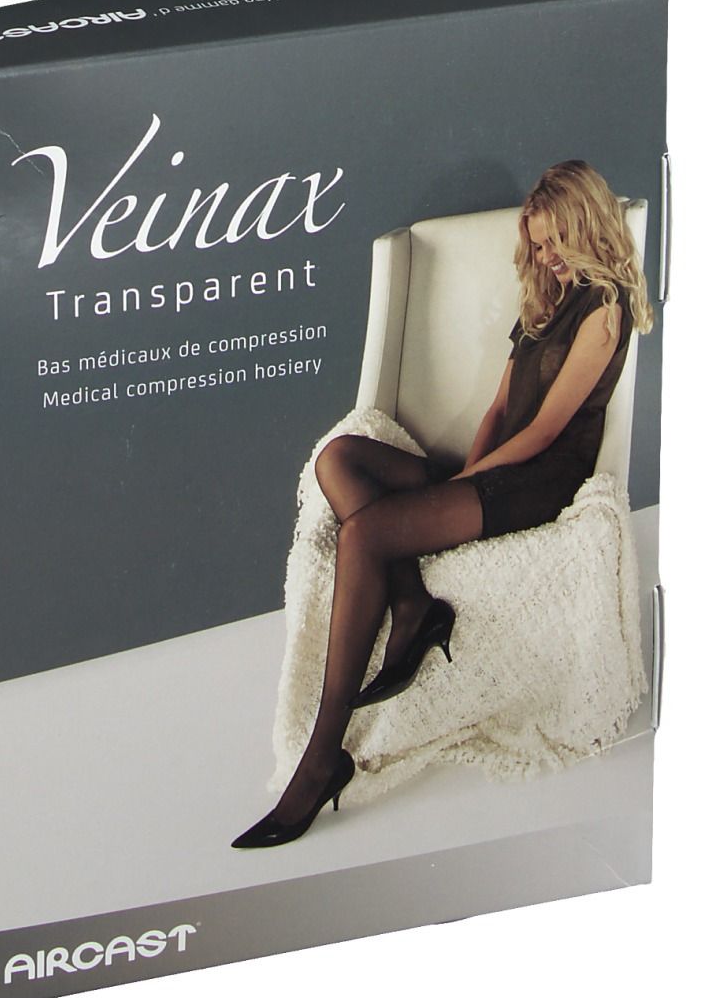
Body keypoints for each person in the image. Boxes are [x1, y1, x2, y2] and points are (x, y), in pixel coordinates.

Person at [231, 160, 654, 849]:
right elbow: (498, 411)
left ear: (585, 225)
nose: (546, 256)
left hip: (539, 484)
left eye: (555, 241)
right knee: (339, 459)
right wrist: (465, 472)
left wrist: (466, 484)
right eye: (538, 245)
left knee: (364, 535)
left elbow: (546, 432)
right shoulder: (546, 303)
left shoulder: (603, 312)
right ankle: (412, 604)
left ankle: (322, 757)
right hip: (494, 473)